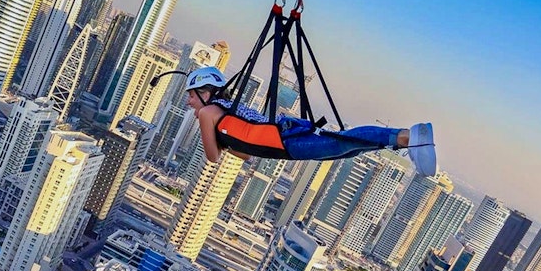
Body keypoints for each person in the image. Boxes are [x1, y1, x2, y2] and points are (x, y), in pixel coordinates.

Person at [185, 66, 436, 176]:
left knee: (342, 143)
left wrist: (213, 135)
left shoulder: (208, 114)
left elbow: (212, 157)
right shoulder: (225, 110)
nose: (189, 102)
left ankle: (406, 136)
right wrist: (224, 140)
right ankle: (402, 140)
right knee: (347, 149)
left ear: (205, 93)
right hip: (286, 137)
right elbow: (247, 154)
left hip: (286, 142)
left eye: (191, 95)